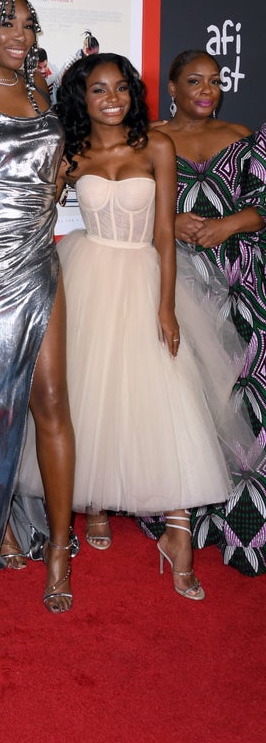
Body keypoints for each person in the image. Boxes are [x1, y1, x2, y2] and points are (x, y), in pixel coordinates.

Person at [52, 53, 253, 599]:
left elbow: (165, 234)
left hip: (144, 273)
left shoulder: (156, 146)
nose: (112, 98)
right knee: (90, 392)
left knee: (165, 398)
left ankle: (178, 534)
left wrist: (165, 307)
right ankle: (92, 504)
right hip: (87, 272)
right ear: (83, 98)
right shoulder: (70, 154)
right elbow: (34, 216)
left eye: (121, 88)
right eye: (99, 90)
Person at [0, 0, 75, 614]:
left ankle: (59, 544)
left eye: (28, 25)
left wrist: (60, 180)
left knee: (52, 399)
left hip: (39, 259)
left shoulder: (43, 93)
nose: (18, 36)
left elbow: (55, 168)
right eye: (6, 23)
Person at [138, 49, 266, 576]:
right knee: (183, 394)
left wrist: (225, 225)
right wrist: (168, 219)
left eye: (214, 81)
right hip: (170, 279)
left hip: (238, 280)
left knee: (242, 395)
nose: (208, 90)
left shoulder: (241, 138)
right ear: (172, 86)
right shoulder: (144, 138)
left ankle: (244, 523)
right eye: (195, 81)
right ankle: (184, 518)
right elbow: (123, 200)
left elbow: (263, 207)